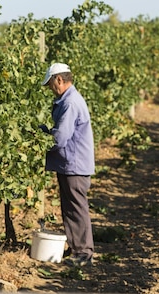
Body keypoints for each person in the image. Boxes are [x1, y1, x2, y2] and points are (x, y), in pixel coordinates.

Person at [39, 63, 95, 267]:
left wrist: (41, 139)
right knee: (70, 208)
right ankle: (76, 247)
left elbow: (60, 138)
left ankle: (83, 253)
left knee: (76, 208)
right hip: (70, 164)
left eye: (51, 85)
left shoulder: (70, 103)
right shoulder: (69, 100)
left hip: (75, 165)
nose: (50, 90)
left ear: (59, 80)